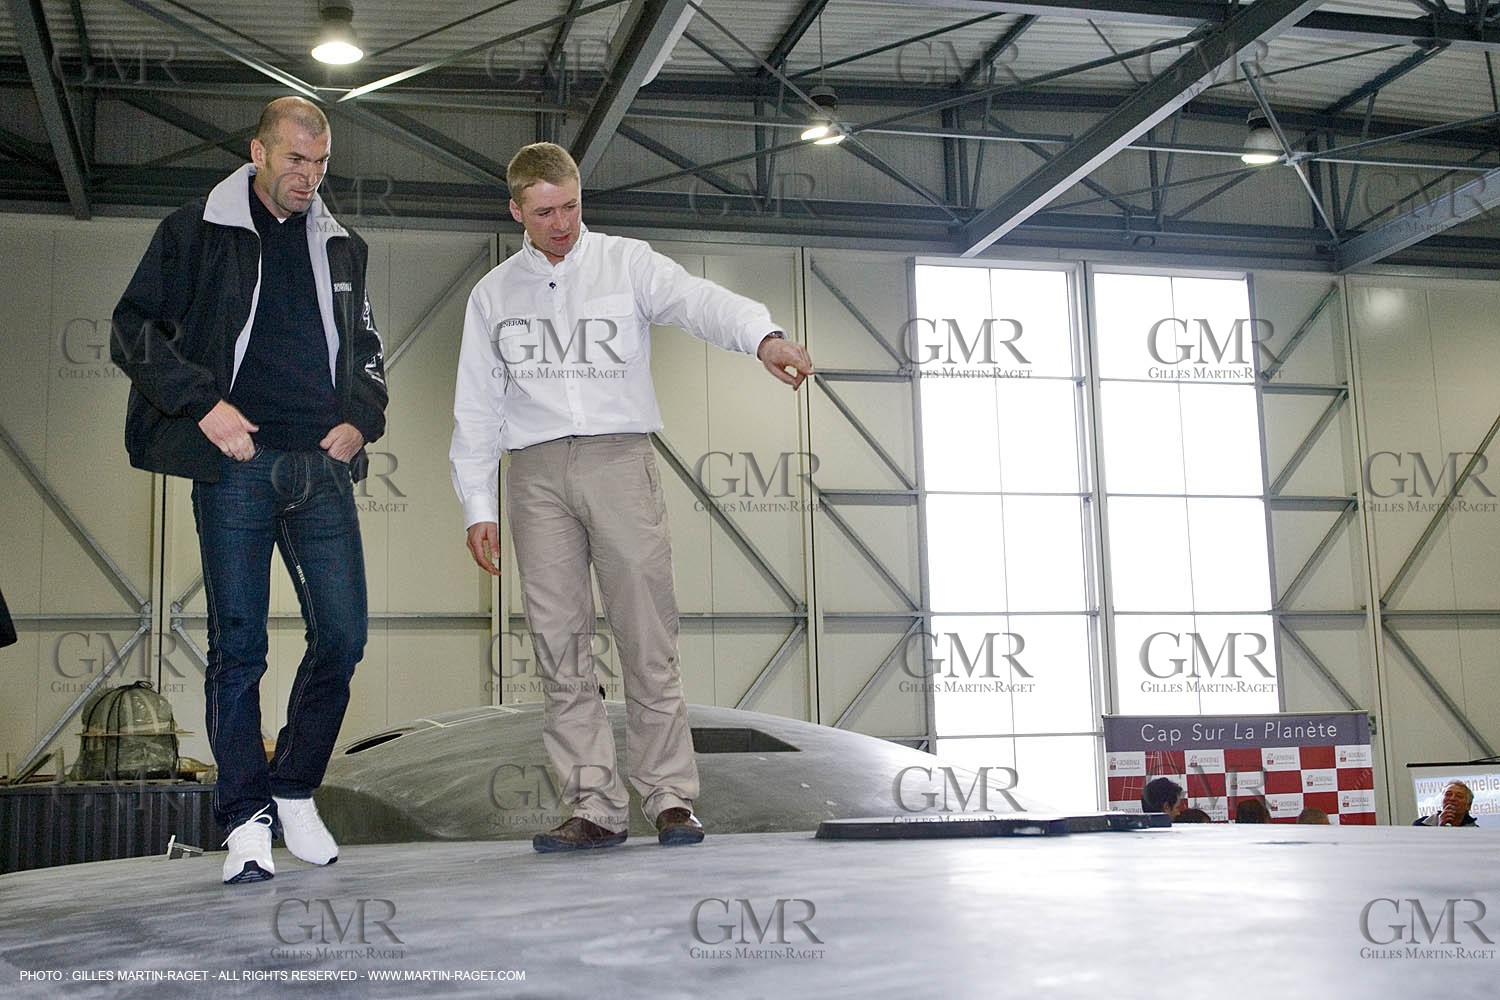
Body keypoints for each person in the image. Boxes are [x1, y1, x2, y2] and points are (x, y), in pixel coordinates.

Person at [450, 142, 813, 852]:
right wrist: (477, 505)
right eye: (545, 213)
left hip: (620, 459)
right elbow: (475, 403)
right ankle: (594, 807)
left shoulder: (627, 263)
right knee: (559, 647)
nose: (562, 224)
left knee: (647, 633)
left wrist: (763, 336)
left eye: (571, 207)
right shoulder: (493, 295)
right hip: (535, 473)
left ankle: (670, 797)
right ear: (516, 211)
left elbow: (698, 300)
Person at [112, 96, 387, 884]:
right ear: (258, 152)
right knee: (240, 648)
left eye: (321, 162)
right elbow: (131, 329)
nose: (310, 175)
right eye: (296, 159)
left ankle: (293, 786)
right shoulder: (195, 230)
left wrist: (362, 419)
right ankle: (244, 818)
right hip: (236, 465)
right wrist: (203, 405)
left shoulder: (342, 246)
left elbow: (367, 348)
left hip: (321, 467)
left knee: (344, 637)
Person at [1413, 780, 1479, 827]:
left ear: (1468, 806)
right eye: (1448, 794)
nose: (1452, 798)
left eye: (1459, 796)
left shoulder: (1476, 831)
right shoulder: (1420, 825)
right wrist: (1441, 827)